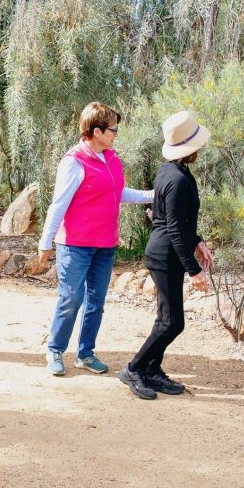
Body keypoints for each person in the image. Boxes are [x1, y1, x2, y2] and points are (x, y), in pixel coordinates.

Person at [39, 102, 153, 376]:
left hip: (105, 244)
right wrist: (46, 242)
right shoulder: (73, 162)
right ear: (96, 131)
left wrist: (153, 194)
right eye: (112, 129)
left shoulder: (112, 159)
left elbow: (119, 193)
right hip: (75, 245)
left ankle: (85, 354)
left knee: (96, 301)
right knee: (71, 299)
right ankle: (55, 350)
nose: (116, 133)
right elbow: (58, 205)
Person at [119, 111, 215, 400]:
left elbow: (181, 222)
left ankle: (151, 369)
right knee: (173, 322)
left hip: (167, 252)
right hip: (165, 255)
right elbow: (173, 226)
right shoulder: (178, 179)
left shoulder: (171, 172)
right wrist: (194, 270)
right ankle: (134, 369)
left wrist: (198, 242)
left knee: (166, 318)